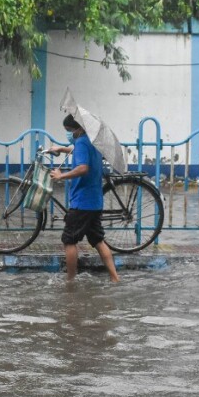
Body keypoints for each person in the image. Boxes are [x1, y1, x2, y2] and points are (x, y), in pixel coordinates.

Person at [48, 114, 120, 283]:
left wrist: (61, 176)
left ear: (79, 128)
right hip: (95, 201)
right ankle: (115, 278)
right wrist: (62, 149)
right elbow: (80, 152)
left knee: (69, 240)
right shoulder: (93, 140)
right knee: (98, 240)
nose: (69, 134)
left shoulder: (81, 142)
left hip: (82, 202)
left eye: (69, 131)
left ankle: (71, 281)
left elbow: (83, 167)